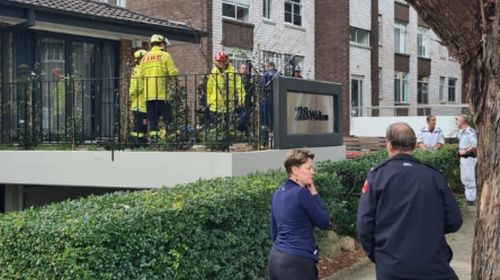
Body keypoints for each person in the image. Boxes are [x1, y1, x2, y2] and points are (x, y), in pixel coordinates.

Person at [357, 122, 462, 280]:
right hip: (433, 265)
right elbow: (454, 220)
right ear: (413, 146)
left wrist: (379, 255)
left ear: (389, 145)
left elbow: (364, 225)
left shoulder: (377, 177)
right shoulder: (434, 177)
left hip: (392, 267)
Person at [268, 149, 330, 280]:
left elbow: (274, 232)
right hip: (297, 263)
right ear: (295, 170)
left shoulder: (277, 193)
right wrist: (314, 194)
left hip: (275, 259)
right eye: (309, 168)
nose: (313, 172)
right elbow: (324, 222)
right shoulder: (302, 194)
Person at [140, 34, 179, 143]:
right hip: (161, 93)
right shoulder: (165, 56)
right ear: (161, 44)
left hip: (148, 95)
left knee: (153, 121)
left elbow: (140, 76)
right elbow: (173, 73)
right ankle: (170, 140)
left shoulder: (144, 58)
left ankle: (154, 141)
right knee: (168, 119)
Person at [206, 51, 246, 126]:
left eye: (222, 62)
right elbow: (209, 88)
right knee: (215, 128)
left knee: (227, 128)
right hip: (215, 105)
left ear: (226, 61)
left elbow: (240, 87)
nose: (221, 64)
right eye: (219, 62)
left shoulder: (232, 73)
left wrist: (241, 100)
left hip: (228, 105)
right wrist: (208, 101)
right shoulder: (213, 72)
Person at [456, 115, 477, 205]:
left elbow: (474, 145)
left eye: (458, 121)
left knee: (469, 179)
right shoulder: (461, 132)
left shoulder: (470, 131)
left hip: (468, 158)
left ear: (462, 122)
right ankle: (468, 198)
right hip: (463, 159)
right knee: (464, 179)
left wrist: (465, 151)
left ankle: (471, 201)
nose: (457, 123)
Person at [129, 49, 148, 145]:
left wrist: (131, 97)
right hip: (140, 102)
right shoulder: (140, 69)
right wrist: (131, 96)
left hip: (138, 102)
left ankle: (137, 141)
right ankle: (139, 142)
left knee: (139, 122)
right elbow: (138, 86)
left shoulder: (136, 69)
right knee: (140, 123)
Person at [259, 62, 278, 143]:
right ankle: (276, 136)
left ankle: (265, 138)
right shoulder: (279, 74)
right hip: (277, 99)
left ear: (268, 66)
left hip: (266, 98)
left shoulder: (264, 75)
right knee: (276, 118)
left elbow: (261, 86)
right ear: (274, 66)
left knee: (265, 118)